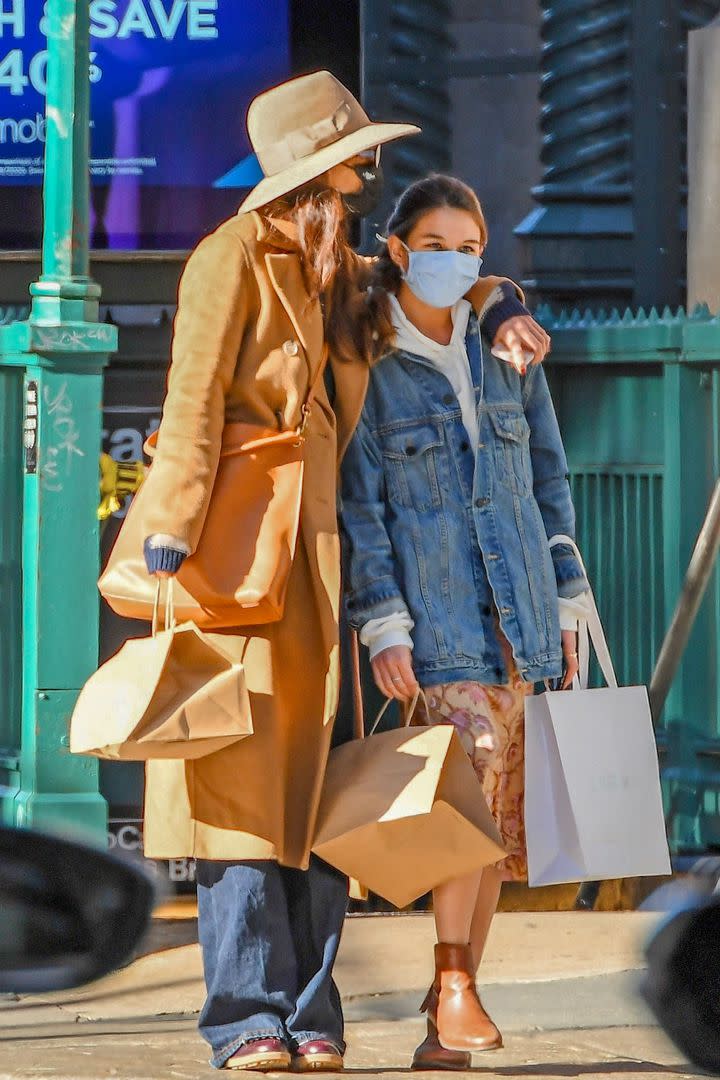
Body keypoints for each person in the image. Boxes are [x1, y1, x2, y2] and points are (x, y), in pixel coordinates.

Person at [138, 72, 549, 1073]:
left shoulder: (351, 273)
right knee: (239, 792)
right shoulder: (229, 258)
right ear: (315, 172)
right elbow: (192, 401)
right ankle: (245, 1019)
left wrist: (504, 310)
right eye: (354, 159)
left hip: (327, 560)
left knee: (322, 795)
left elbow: (465, 279)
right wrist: (171, 533)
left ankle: (314, 1016)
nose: (368, 175)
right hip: (238, 552)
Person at [340, 174, 590, 1071]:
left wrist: (565, 595)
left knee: (493, 830)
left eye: (470, 246)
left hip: (520, 613)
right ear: (400, 250)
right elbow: (360, 507)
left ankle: (451, 1008)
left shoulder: (507, 353)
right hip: (436, 620)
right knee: (467, 807)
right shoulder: (371, 361)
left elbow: (550, 479)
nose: (456, 260)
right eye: (437, 243)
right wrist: (383, 623)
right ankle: (453, 983)